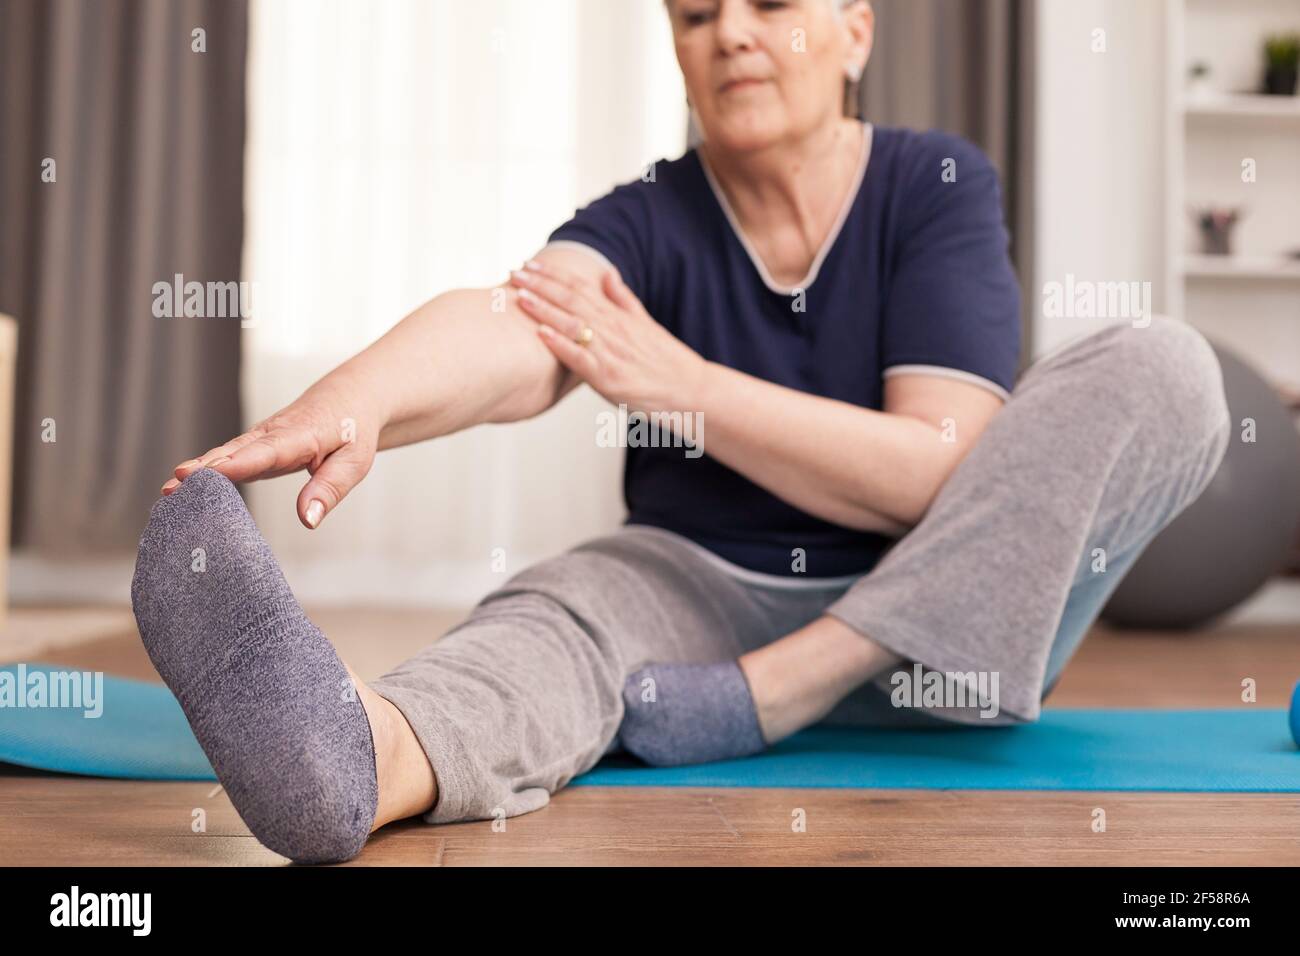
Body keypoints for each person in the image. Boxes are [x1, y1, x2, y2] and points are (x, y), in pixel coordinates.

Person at [134, 0, 1230, 864]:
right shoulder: (649, 213)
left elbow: (927, 473)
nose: (731, 33)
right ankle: (359, 757)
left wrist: (683, 386)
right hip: (697, 592)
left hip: (957, 625)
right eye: (696, 14)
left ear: (855, 30)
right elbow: (519, 326)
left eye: (768, 3)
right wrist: (356, 398)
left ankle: (798, 681)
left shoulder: (932, 185)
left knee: (1167, 365)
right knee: (558, 612)